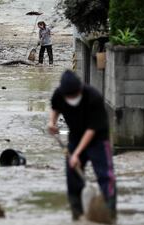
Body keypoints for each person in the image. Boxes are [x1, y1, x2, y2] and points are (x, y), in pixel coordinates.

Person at [48, 70, 116, 221]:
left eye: (74, 94)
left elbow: (91, 130)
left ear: (80, 89)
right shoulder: (59, 94)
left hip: (98, 138)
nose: (72, 98)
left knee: (106, 175)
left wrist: (76, 154)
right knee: (72, 175)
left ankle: (109, 214)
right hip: (75, 137)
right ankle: (77, 214)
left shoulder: (93, 97)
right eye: (69, 96)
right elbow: (55, 108)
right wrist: (51, 122)